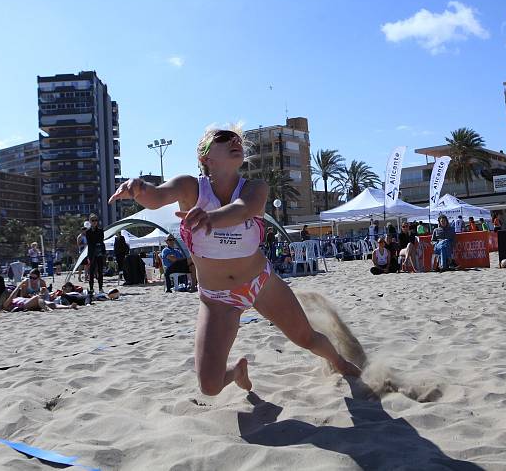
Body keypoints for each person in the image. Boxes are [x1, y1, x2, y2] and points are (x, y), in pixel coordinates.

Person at [109, 126, 360, 395]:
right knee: (209, 386)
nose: (234, 141)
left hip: (260, 282)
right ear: (205, 158)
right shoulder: (190, 187)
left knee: (306, 338)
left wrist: (211, 219)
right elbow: (157, 197)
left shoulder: (255, 188)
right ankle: (238, 372)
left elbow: (243, 210)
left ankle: (339, 362)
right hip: (218, 299)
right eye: (223, 138)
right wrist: (138, 188)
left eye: (237, 139)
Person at [85, 215, 106, 295]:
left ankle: (100, 288)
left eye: (96, 220)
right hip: (92, 253)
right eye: (93, 220)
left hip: (100, 252)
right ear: (90, 221)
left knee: (100, 271)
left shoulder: (100, 230)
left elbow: (101, 240)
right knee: (91, 271)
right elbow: (90, 243)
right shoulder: (88, 232)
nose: (94, 222)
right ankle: (91, 288)